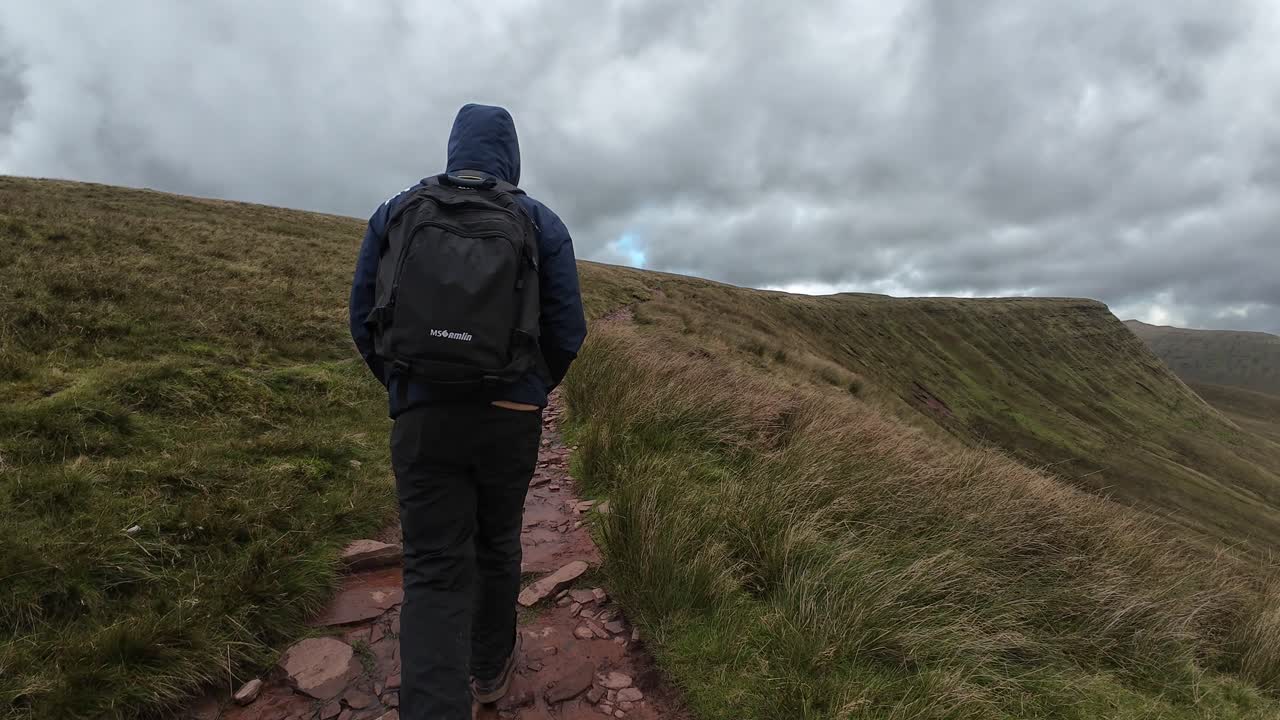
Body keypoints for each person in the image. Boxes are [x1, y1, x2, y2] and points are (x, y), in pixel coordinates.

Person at [348, 103, 587, 718]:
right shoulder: (539, 221)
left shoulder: (397, 211)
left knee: (432, 568)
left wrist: (405, 387)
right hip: (509, 413)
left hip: (424, 416)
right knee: (498, 542)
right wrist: (531, 390)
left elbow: (363, 318)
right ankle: (488, 672)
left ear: (455, 147)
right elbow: (567, 331)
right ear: (510, 153)